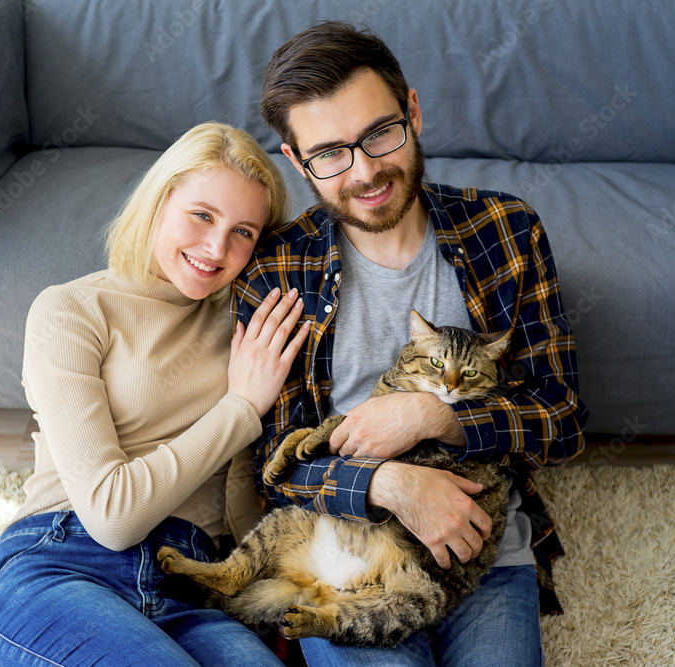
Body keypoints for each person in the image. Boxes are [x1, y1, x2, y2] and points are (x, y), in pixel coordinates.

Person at [233, 22, 589, 665]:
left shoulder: (507, 233)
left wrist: (435, 417)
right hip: (344, 552)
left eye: (380, 134)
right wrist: (390, 484)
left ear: (413, 112)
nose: (366, 171)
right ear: (297, 160)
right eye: (330, 154)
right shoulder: (275, 271)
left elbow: (562, 420)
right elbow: (275, 470)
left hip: (479, 549)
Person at [0, 122, 309, 666]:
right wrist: (242, 407)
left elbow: (243, 489)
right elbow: (112, 517)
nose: (216, 248)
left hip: (191, 586)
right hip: (65, 562)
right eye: (202, 215)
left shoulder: (249, 325)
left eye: (243, 231)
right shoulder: (72, 310)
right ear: (159, 201)